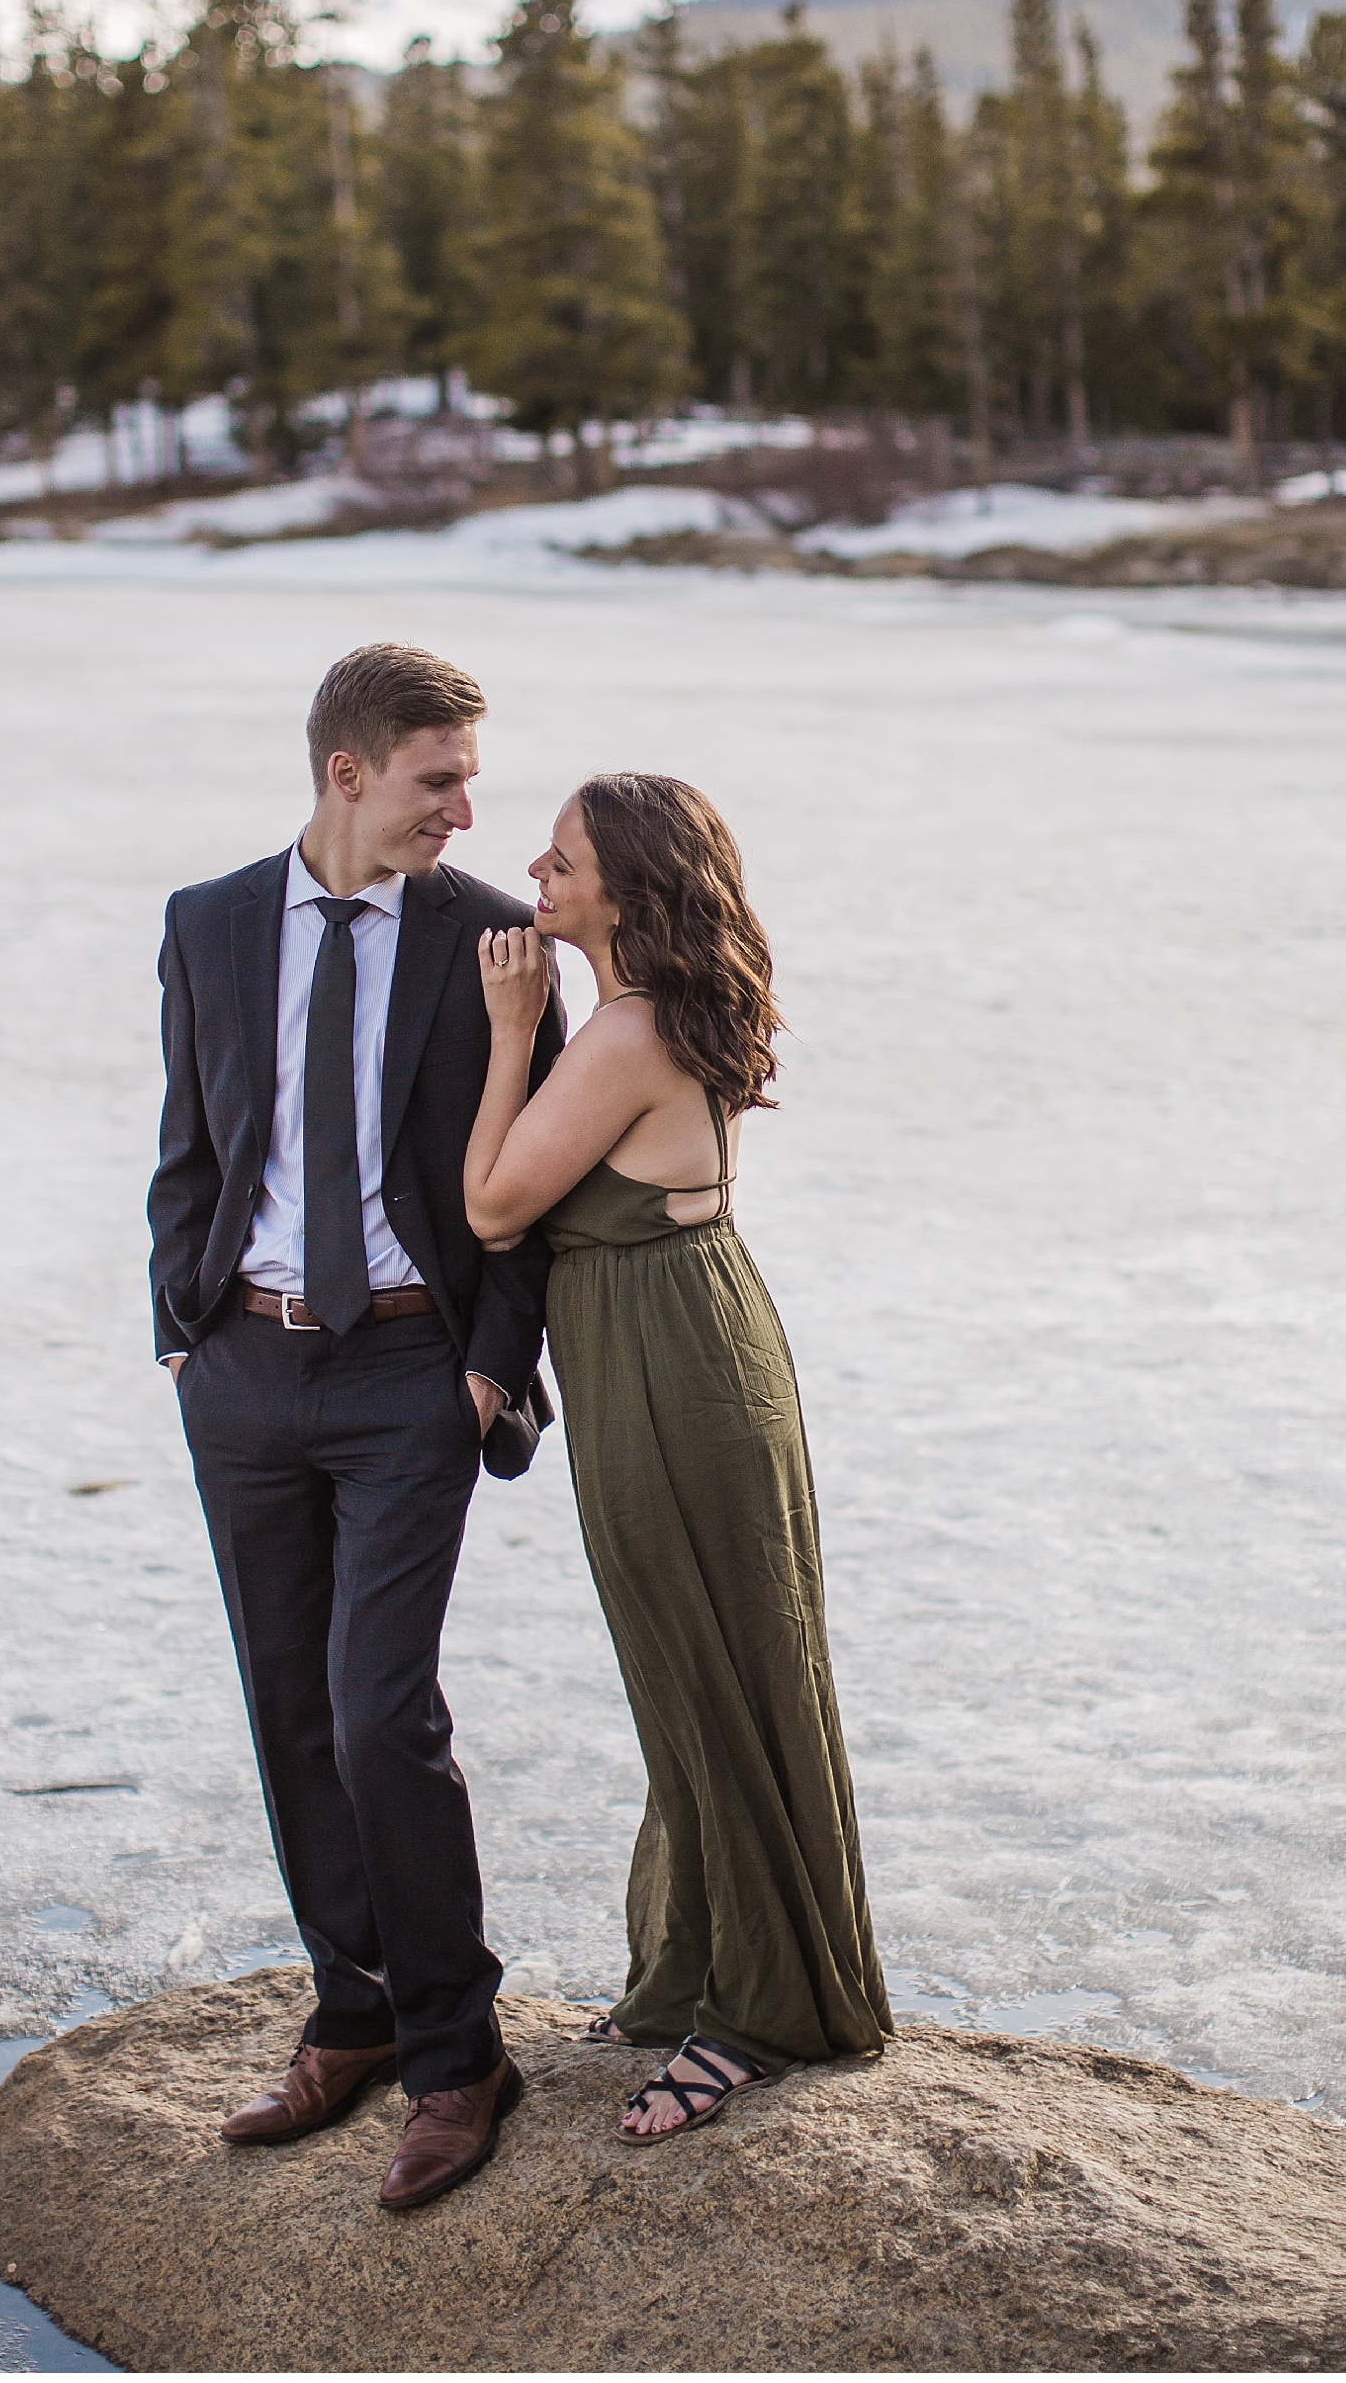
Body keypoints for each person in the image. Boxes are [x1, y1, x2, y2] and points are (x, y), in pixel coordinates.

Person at [149, 644, 564, 2210]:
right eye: (437, 779)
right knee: (289, 1708)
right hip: (247, 1370)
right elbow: (191, 1144)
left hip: (411, 1377)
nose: (467, 809)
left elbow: (532, 1193)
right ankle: (355, 2015)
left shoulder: (499, 946)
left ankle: (460, 2056)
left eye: (467, 776)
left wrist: (488, 1367)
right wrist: (181, 1335)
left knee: (382, 1710)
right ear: (347, 772)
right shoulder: (209, 923)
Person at [463, 772, 893, 2140]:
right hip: (692, 1342)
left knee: (712, 1676)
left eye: (566, 859)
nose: (534, 867)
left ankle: (759, 2016)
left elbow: (491, 1207)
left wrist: (508, 1026)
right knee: (702, 1670)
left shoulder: (623, 1034)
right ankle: (702, 1971)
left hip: (667, 1367)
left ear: (631, 893)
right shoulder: (651, 1020)